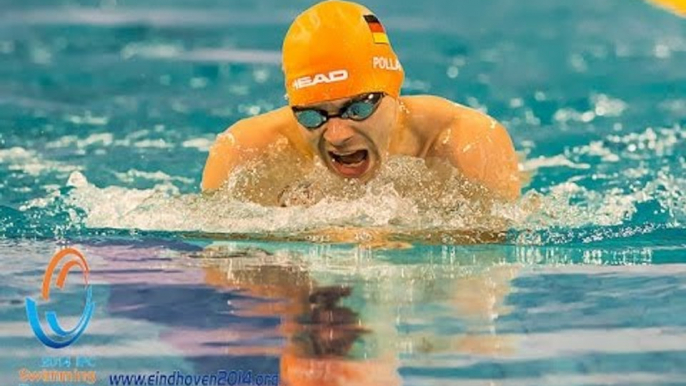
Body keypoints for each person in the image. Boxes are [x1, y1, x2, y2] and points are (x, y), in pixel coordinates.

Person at [202, 0, 521, 206]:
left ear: (393, 92)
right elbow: (221, 269)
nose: (337, 135)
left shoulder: (467, 141)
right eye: (313, 115)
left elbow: (486, 263)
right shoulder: (245, 152)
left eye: (358, 108)